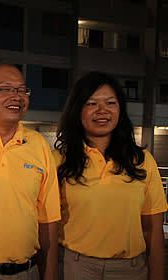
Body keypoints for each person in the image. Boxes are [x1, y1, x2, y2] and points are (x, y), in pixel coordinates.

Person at [54, 72, 167, 280]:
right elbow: (47, 226)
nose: (102, 110)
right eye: (91, 103)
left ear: (120, 109)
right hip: (74, 267)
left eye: (110, 103)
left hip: (131, 269)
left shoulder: (142, 161)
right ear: (77, 110)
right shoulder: (58, 160)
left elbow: (153, 229)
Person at [0, 64, 60, 280]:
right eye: (5, 89)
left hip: (28, 271)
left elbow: (48, 217)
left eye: (21, 90)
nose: (16, 96)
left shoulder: (38, 144)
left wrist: (50, 272)